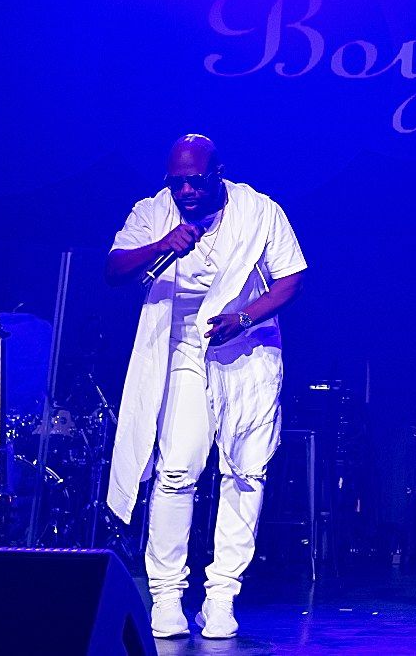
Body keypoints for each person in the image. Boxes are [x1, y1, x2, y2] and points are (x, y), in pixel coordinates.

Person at [104, 134, 307, 640]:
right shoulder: (153, 212)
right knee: (177, 468)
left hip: (245, 345)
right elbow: (113, 269)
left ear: (219, 173)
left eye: (196, 180)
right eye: (178, 182)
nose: (187, 190)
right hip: (179, 347)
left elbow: (291, 278)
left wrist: (244, 316)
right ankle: (167, 596)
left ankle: (221, 597)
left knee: (245, 472)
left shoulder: (260, 211)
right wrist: (162, 245)